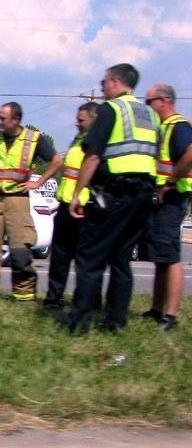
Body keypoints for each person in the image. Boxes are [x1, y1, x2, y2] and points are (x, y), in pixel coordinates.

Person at [66, 63, 160, 334]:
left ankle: (79, 323)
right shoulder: (150, 114)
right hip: (143, 196)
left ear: (116, 82)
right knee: (121, 260)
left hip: (115, 193)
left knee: (90, 258)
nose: (102, 86)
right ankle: (115, 322)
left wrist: (78, 193)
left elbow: (93, 155)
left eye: (104, 81)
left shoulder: (111, 109)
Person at [0, 102, 63, 301]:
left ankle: (24, 295)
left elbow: (57, 161)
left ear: (16, 119)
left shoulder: (33, 139)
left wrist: (38, 182)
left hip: (17, 200)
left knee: (20, 251)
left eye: (3, 118)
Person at [143, 84, 192, 330]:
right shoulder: (164, 127)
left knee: (170, 256)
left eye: (149, 101)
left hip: (173, 197)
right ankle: (156, 309)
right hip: (163, 197)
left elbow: (190, 154)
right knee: (161, 257)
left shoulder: (178, 126)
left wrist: (170, 181)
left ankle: (170, 316)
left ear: (163, 101)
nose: (147, 106)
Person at [43, 102, 97, 311]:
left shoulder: (97, 143)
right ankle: (53, 299)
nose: (77, 123)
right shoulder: (78, 139)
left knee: (86, 260)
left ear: (93, 119)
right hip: (66, 205)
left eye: (81, 120)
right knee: (60, 257)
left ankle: (87, 302)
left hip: (85, 207)